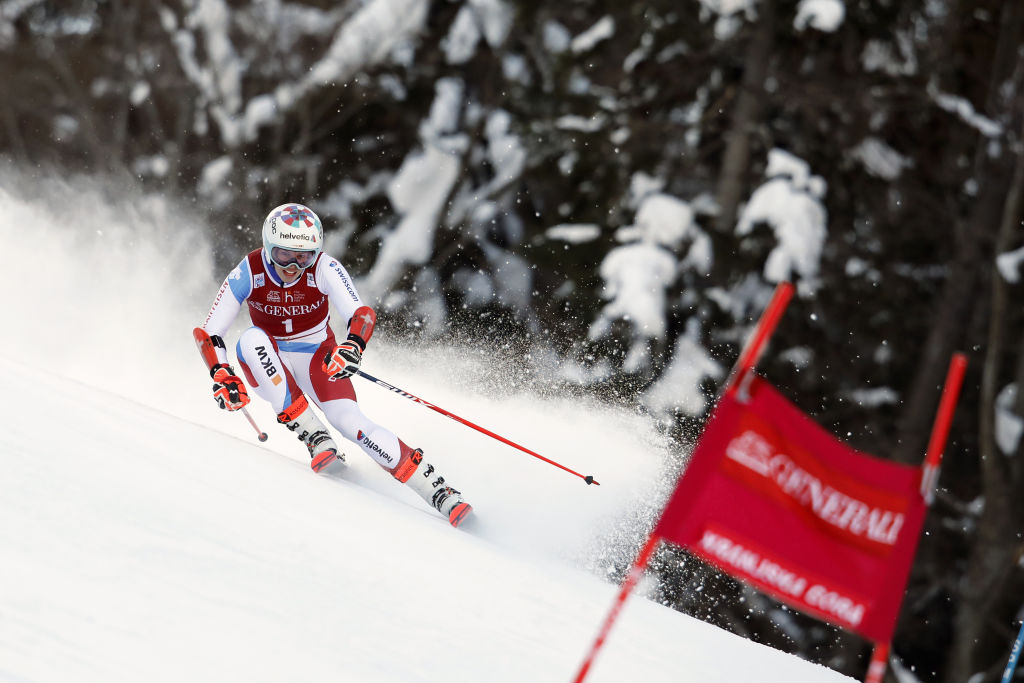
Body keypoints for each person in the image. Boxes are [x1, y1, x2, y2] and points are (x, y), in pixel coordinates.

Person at [199, 202, 472, 527]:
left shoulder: (325, 268)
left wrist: (352, 346)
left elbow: (361, 313)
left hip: (316, 354)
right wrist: (221, 373)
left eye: (304, 256)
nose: (294, 266)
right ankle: (316, 437)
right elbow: (210, 331)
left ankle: (437, 490)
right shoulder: (250, 270)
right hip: (267, 357)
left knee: (350, 422)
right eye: (285, 255)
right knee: (251, 339)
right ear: (269, 246)